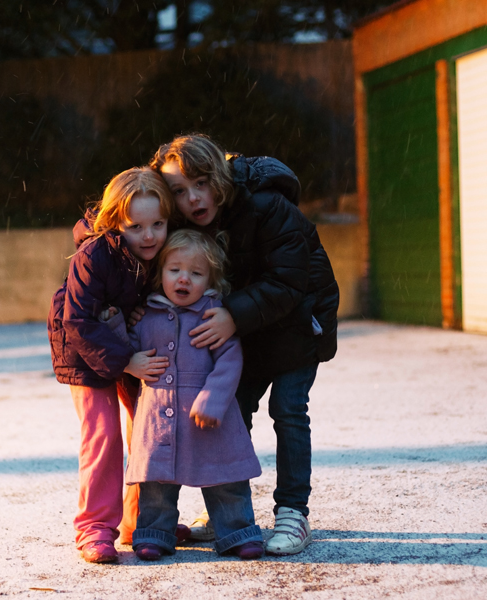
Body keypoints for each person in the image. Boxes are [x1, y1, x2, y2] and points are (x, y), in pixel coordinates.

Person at [149, 134, 340, 556]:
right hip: (246, 331)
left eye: (200, 183)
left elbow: (290, 280)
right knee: (231, 413)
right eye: (179, 191)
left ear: (219, 174)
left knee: (288, 411)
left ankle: (293, 512)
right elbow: (129, 214)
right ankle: (228, 511)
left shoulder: (269, 206)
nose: (193, 198)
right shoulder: (185, 223)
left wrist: (233, 313)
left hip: (296, 323)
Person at [48, 166, 173, 564]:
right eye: (137, 226)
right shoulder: (94, 254)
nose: (149, 235)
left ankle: (142, 521)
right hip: (84, 349)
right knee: (103, 435)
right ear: (115, 221)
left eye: (158, 223)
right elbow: (78, 319)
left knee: (148, 430)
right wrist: (125, 360)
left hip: (129, 343)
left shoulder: (161, 252)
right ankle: (95, 526)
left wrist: (137, 315)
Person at [121, 229, 264, 561]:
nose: (184, 279)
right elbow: (124, 344)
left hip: (210, 419)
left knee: (225, 478)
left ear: (211, 279)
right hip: (158, 419)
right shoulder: (145, 316)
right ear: (160, 274)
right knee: (156, 484)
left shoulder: (214, 316)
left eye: (196, 273)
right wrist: (129, 359)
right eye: (175, 270)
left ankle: (238, 532)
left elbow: (230, 359)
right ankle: (155, 533)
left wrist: (214, 398)